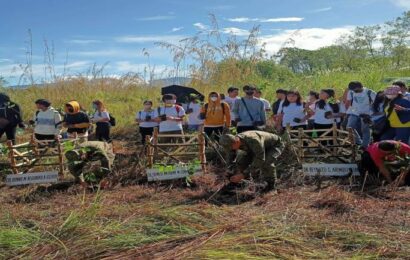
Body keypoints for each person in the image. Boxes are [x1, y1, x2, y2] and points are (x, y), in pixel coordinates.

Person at [219, 131, 285, 191]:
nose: (230, 149)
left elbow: (260, 158)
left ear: (236, 142)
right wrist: (229, 169)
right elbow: (231, 155)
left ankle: (271, 185)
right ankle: (241, 183)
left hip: (274, 146)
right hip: (257, 148)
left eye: (230, 147)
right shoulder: (233, 142)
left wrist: (243, 174)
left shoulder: (253, 139)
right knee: (241, 161)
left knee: (266, 162)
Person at [346, 81, 376, 148]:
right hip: (354, 112)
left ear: (360, 87)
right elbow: (348, 102)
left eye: (355, 89)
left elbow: (376, 104)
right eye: (352, 90)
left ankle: (364, 146)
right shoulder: (351, 92)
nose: (354, 91)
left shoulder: (370, 92)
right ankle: (358, 142)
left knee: (365, 129)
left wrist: (370, 113)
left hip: (366, 114)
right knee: (349, 127)